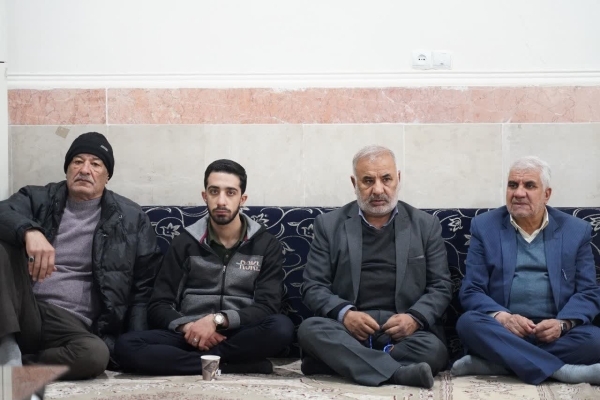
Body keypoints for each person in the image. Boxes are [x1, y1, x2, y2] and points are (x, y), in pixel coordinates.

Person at [0, 132, 162, 380]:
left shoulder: (131, 218)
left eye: (95, 164)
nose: (85, 170)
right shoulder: (37, 198)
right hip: (25, 309)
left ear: (107, 176)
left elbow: (143, 288)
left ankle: (21, 364)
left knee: (95, 355)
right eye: (77, 161)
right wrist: (29, 231)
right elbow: (3, 212)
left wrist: (137, 349)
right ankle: (8, 350)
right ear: (67, 169)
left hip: (73, 324)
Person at [114, 159, 294, 375]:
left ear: (242, 198)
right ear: (204, 195)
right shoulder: (185, 242)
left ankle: (201, 363)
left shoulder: (266, 245)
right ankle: (232, 366)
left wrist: (217, 320)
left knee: (282, 327)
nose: (221, 201)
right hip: (190, 334)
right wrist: (190, 327)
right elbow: (159, 305)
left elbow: (267, 306)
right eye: (214, 191)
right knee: (125, 346)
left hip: (240, 334)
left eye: (230, 193)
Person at [297, 145, 452, 388]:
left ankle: (342, 363)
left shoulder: (425, 225)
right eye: (368, 181)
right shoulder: (329, 225)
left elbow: (441, 286)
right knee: (310, 329)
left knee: (434, 350)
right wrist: (346, 314)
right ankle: (398, 373)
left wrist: (414, 318)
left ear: (398, 178)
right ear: (354, 183)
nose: (378, 190)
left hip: (404, 333)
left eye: (386, 179)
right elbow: (313, 286)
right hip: (349, 330)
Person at [452, 156, 600, 385]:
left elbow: (588, 292)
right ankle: (563, 371)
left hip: (555, 331)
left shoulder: (575, 230)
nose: (519, 193)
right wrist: (504, 318)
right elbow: (472, 290)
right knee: (468, 324)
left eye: (529, 185)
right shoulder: (485, 226)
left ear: (547, 194)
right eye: (513, 185)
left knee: (595, 340)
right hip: (504, 329)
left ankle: (497, 364)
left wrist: (562, 324)